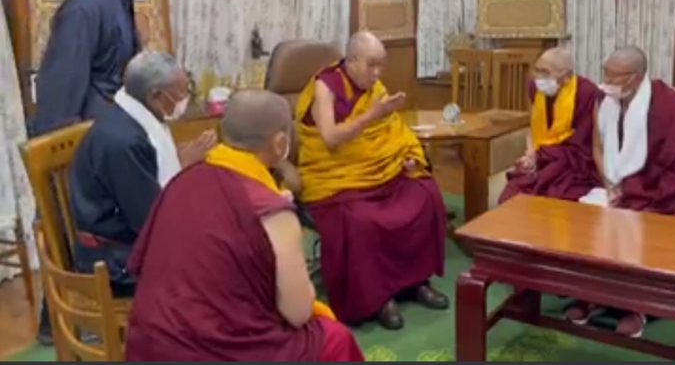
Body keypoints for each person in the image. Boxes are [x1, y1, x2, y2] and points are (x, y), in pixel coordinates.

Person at [125, 90, 365, 361]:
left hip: (149, 344)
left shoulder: (181, 181)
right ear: (280, 144)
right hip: (215, 351)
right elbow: (297, 312)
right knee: (336, 339)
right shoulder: (272, 212)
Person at [31, 0, 160, 343]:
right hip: (80, 141)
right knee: (68, 233)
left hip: (108, 135)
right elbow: (61, 85)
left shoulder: (121, 3)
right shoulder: (85, 8)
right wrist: (61, 158)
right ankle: (63, 326)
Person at [295, 31, 448, 330]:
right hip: (337, 176)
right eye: (371, 65)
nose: (378, 73)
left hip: (378, 170)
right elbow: (329, 138)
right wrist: (371, 116)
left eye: (382, 65)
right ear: (351, 61)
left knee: (424, 194)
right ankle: (377, 299)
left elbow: (393, 129)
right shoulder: (326, 86)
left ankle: (416, 282)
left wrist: (407, 156)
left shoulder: (373, 86)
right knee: (360, 220)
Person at [568, 46, 675, 338]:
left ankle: (637, 307)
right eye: (605, 71)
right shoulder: (602, 98)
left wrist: (632, 190)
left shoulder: (670, 104)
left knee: (638, 224)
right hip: (611, 182)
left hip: (652, 188)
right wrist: (609, 182)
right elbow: (597, 146)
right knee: (583, 217)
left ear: (634, 78)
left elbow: (674, 164)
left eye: (613, 75)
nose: (605, 80)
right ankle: (592, 296)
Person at [68, 51, 215, 297]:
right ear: (155, 95)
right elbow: (149, 221)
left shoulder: (135, 115)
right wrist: (182, 167)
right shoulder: (122, 142)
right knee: (214, 262)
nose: (184, 101)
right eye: (181, 94)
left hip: (125, 239)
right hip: (113, 259)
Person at [32, 0, 160, 136]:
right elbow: (64, 84)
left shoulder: (121, 1)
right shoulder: (85, 6)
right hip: (89, 135)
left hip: (113, 129)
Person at [498, 47, 600, 204]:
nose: (538, 77)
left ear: (566, 77)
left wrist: (542, 157)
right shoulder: (534, 86)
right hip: (542, 155)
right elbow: (533, 127)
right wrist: (530, 153)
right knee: (512, 195)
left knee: (556, 195)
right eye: (537, 70)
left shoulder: (586, 92)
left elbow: (583, 144)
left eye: (545, 72)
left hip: (570, 163)